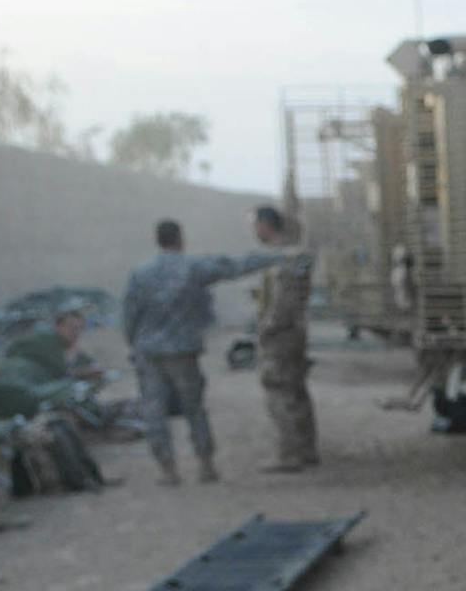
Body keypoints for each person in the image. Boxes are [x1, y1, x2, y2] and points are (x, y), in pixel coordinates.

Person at [121, 219, 285, 486]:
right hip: (183, 350)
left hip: (148, 350)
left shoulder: (140, 273)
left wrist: (133, 343)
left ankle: (168, 470)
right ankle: (205, 465)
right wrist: (277, 257)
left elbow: (129, 314)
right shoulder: (193, 267)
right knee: (194, 408)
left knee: (154, 409)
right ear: (180, 239)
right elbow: (233, 267)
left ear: (157, 240)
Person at [249, 205, 318, 472]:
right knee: (296, 391)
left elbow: (284, 303)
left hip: (281, 335)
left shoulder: (284, 258)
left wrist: (268, 327)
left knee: (278, 391)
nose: (254, 231)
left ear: (266, 225)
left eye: (256, 225)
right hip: (293, 332)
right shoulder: (293, 254)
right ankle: (306, 448)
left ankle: (290, 454)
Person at [0, 308, 100, 419]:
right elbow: (62, 370)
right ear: (58, 326)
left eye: (80, 328)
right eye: (72, 327)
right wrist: (81, 371)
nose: (76, 332)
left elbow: (89, 367)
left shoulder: (65, 348)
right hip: (18, 378)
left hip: (28, 383)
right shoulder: (46, 340)